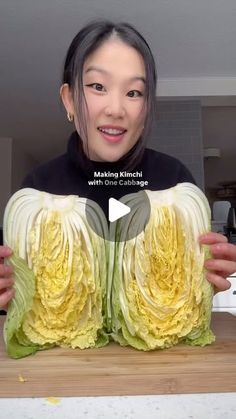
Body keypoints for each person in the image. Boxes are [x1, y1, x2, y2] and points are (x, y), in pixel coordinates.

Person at [0, 20, 236, 311]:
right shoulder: (38, 189)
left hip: (157, 357)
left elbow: (184, 296)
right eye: (98, 86)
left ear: (146, 105)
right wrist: (9, 292)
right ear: (70, 99)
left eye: (134, 92)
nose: (116, 109)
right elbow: (28, 301)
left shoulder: (175, 183)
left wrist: (203, 281)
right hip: (62, 356)